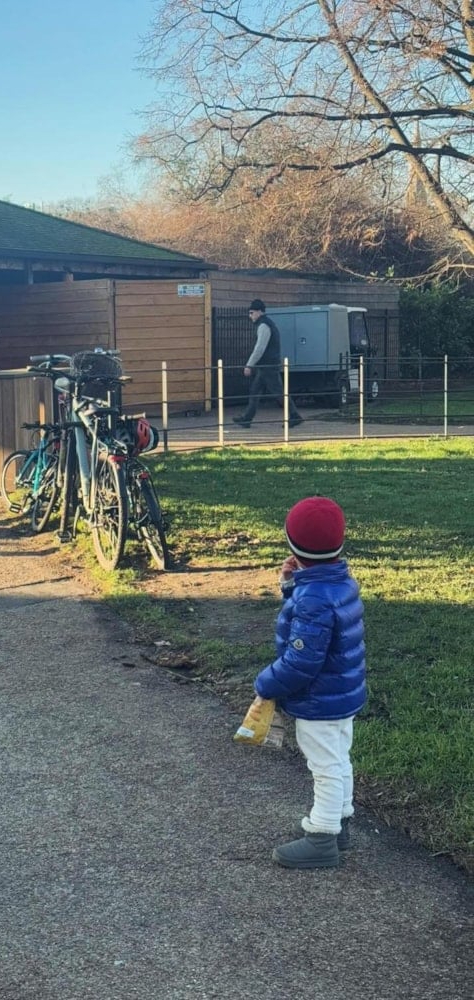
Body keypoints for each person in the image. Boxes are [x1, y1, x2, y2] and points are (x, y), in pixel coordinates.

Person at [252, 496, 366, 869]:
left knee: (325, 766)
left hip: (319, 699)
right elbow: (316, 619)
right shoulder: (339, 581)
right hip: (341, 693)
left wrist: (266, 683)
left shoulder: (313, 598)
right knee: (338, 759)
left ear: (292, 545)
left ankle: (322, 838)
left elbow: (301, 661)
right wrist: (291, 585)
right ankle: (340, 821)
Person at [233, 299, 303, 428]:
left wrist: (249, 365)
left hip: (268, 366)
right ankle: (247, 418)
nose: (250, 316)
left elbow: (260, 348)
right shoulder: (267, 324)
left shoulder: (263, 326)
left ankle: (294, 415)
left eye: (252, 313)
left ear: (259, 312)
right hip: (267, 365)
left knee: (278, 392)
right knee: (255, 391)